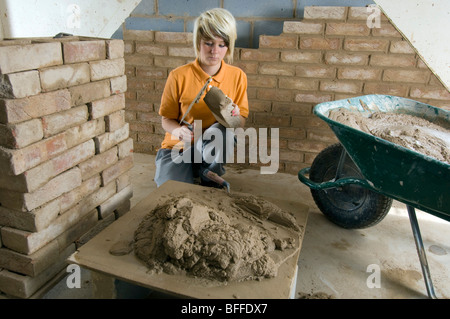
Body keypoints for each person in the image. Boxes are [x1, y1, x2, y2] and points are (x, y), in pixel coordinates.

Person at [154, 8, 249, 189]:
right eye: (208, 43)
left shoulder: (238, 76)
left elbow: (240, 122)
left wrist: (233, 116)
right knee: (172, 192)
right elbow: (166, 120)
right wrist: (178, 131)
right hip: (180, 146)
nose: (215, 51)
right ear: (198, 42)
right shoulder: (178, 76)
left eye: (222, 45)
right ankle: (188, 169)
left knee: (223, 131)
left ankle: (207, 172)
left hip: (210, 145)